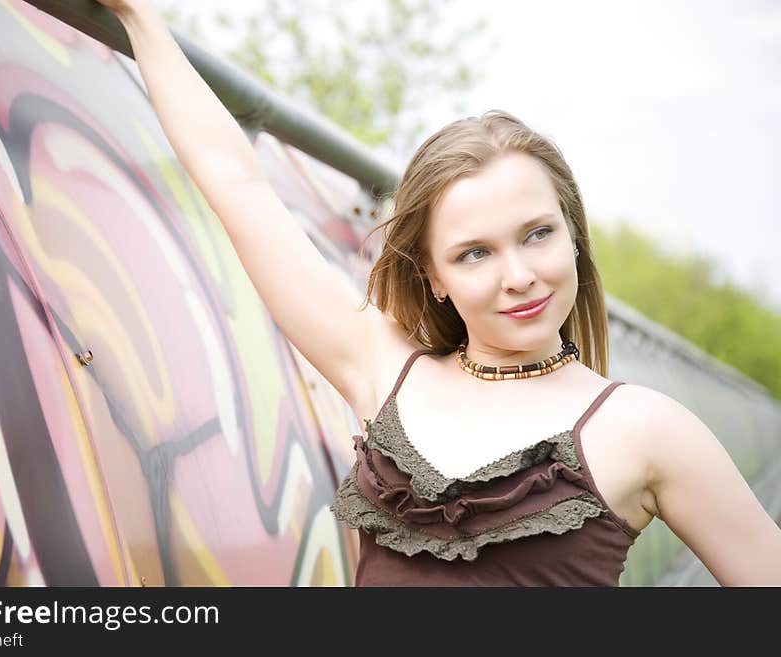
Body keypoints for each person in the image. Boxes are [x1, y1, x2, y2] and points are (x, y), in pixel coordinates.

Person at [94, 0, 781, 586]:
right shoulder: (383, 368)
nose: (519, 275)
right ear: (434, 276)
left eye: (538, 234)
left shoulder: (648, 429)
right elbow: (234, 181)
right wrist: (137, 15)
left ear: (574, 235)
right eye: (474, 253)